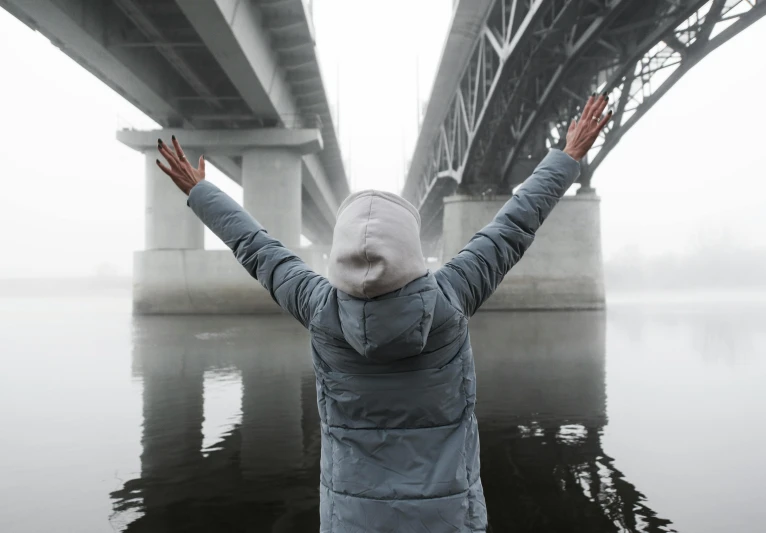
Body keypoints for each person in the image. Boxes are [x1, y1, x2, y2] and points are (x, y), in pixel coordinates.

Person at [156, 94, 612, 532]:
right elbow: (513, 224)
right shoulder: (449, 299)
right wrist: (567, 155)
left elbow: (257, 249)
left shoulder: (321, 310)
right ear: (411, 249)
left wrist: (200, 191)